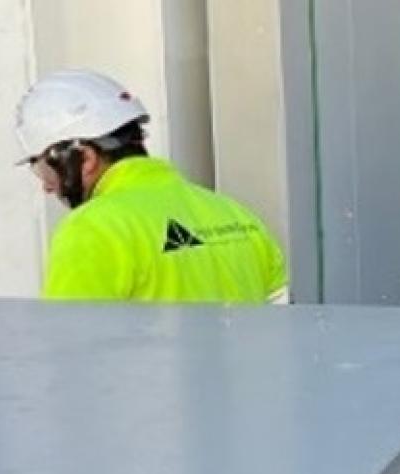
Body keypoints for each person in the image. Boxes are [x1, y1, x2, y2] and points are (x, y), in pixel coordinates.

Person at [16, 70, 287, 304]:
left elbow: (68, 353)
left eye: (44, 170)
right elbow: (285, 327)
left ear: (85, 158)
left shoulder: (90, 230)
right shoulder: (236, 215)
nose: (48, 189)